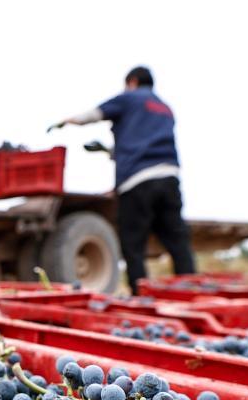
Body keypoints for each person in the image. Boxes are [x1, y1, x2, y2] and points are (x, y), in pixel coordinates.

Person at [50, 66, 196, 294]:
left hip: (137, 182)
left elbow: (96, 114)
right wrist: (108, 151)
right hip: (169, 177)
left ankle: (140, 296)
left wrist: (68, 121)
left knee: (133, 244)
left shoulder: (130, 98)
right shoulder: (165, 108)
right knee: (178, 242)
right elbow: (141, 143)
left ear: (132, 81)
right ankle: (191, 293)